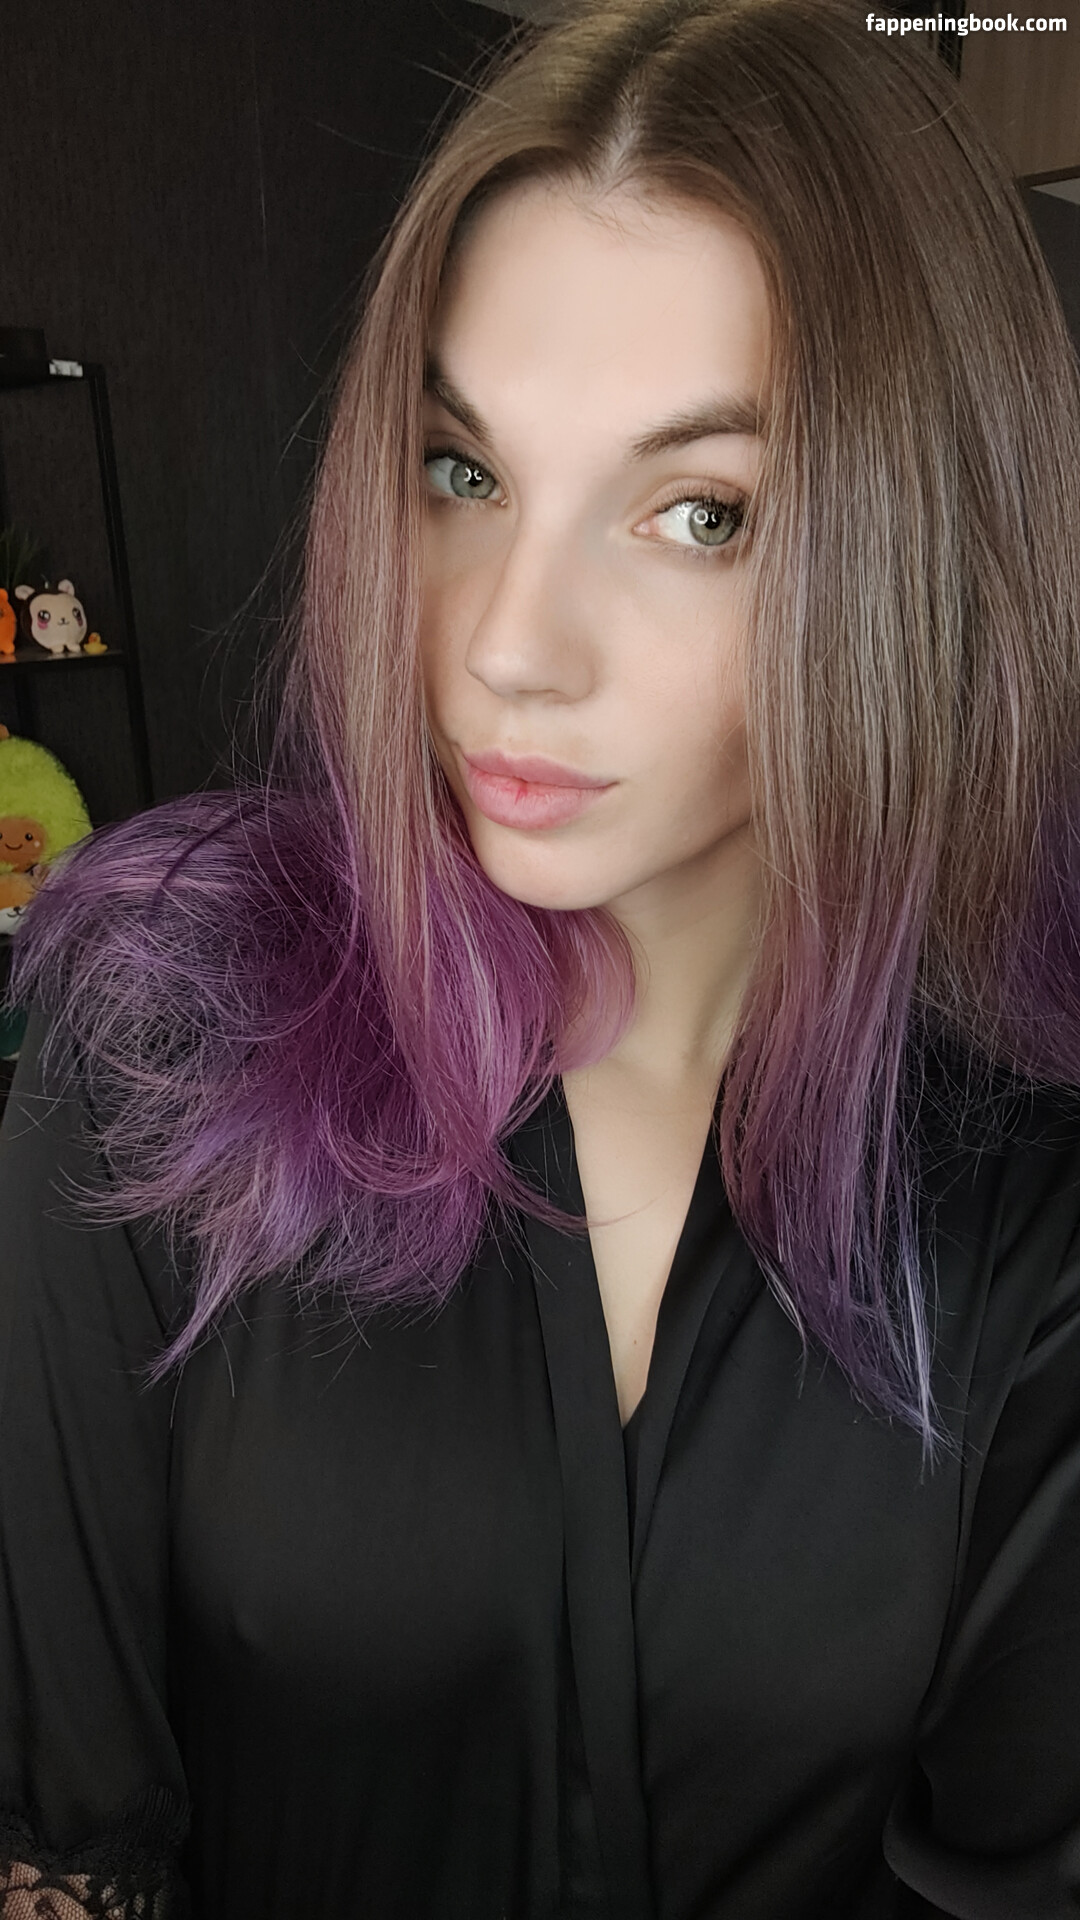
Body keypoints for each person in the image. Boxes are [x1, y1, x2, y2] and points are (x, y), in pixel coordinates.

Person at [3, 0, 1080, 1913]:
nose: (508, 642)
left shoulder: (1025, 1179)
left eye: (698, 513)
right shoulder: (161, 1035)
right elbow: (64, 1835)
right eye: (465, 471)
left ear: (924, 553)